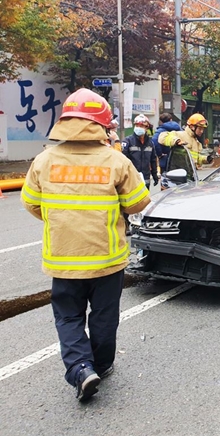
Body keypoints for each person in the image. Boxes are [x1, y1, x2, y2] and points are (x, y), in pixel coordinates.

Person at [21, 88, 150, 402]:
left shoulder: (43, 160)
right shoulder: (115, 161)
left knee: (68, 317)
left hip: (63, 259)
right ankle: (101, 365)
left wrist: (63, 219)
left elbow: (31, 204)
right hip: (107, 259)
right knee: (104, 316)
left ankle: (81, 368)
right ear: (102, 125)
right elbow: (138, 203)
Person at [121, 114, 158, 189]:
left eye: (141, 126)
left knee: (145, 200)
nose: (138, 128)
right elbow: (123, 160)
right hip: (131, 178)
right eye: (136, 126)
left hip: (145, 178)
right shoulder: (128, 141)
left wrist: (155, 175)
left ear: (146, 128)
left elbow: (153, 160)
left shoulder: (150, 143)